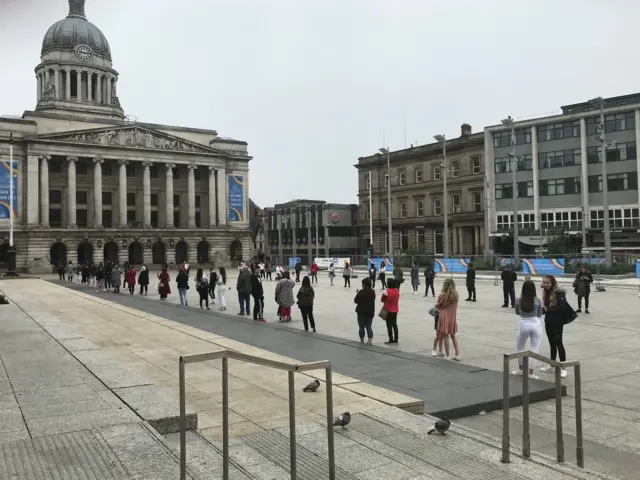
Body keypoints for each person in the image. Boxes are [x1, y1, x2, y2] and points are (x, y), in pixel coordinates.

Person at [540, 275, 570, 378]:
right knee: (552, 344)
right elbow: (547, 308)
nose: (545, 285)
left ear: (552, 283)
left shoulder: (559, 293)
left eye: (547, 283)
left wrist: (548, 309)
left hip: (557, 322)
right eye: (544, 282)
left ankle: (563, 367)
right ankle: (552, 364)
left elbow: (562, 308)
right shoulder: (545, 292)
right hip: (548, 321)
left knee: (559, 343)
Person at [513, 280, 543, 378]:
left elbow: (517, 312)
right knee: (535, 348)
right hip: (535, 323)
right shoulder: (538, 300)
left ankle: (522, 369)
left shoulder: (518, 300)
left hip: (523, 323)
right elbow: (539, 314)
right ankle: (531, 372)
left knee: (520, 347)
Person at [435, 278, 460, 360]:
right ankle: (457, 354)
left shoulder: (443, 295)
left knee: (445, 336)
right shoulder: (456, 295)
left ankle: (448, 355)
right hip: (452, 317)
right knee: (453, 336)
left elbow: (438, 305)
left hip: (444, 317)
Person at [354, 277, 375, 344]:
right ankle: (369, 341)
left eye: (362, 283)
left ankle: (362, 340)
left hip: (361, 312)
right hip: (370, 311)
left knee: (361, 327)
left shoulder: (361, 292)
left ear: (365, 284)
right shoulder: (372, 291)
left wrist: (357, 294)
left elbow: (356, 301)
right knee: (369, 326)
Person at [381, 278, 400, 345]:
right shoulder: (397, 290)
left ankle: (390, 339)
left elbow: (382, 299)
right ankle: (396, 339)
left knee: (389, 324)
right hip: (395, 309)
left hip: (388, 309)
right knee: (394, 324)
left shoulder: (386, 291)